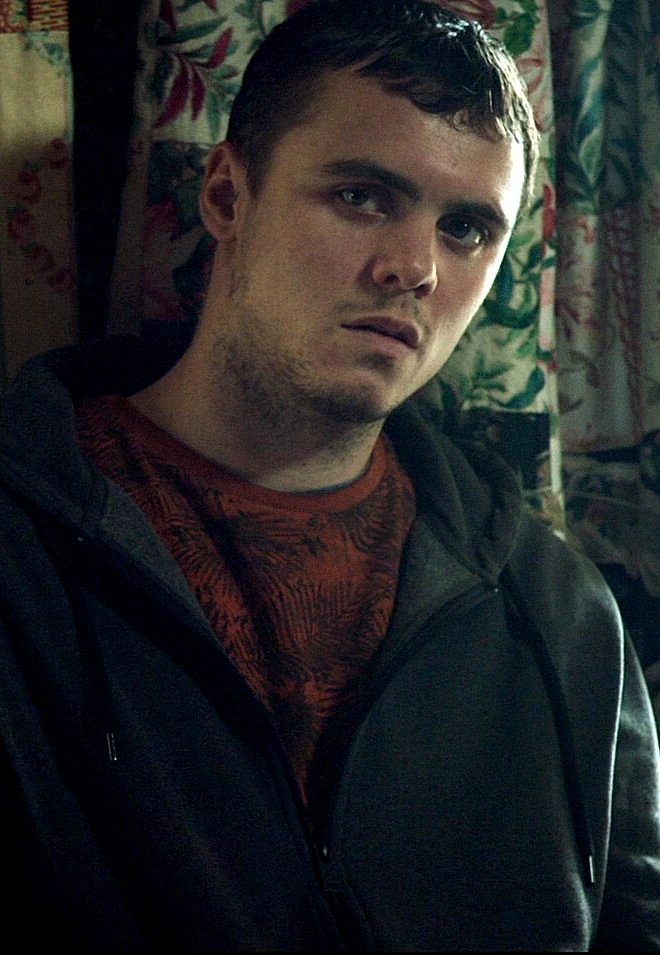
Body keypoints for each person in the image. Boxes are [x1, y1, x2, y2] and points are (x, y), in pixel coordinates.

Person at [0, 0, 659, 949]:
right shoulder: (24, 545)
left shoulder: (556, 609)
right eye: (362, 196)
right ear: (227, 196)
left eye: (466, 227)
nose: (414, 267)